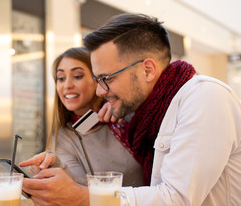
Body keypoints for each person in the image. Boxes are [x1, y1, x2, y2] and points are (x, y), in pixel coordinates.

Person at [23, 13, 241, 206]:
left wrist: (85, 198)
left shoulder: (204, 96)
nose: (99, 91)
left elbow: (176, 198)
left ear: (147, 70)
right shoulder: (149, 116)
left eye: (106, 78)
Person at [21, 47, 144, 205]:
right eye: (60, 78)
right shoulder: (63, 138)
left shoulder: (127, 115)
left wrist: (122, 107)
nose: (67, 85)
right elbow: (78, 191)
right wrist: (55, 166)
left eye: (77, 76)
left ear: (98, 80)